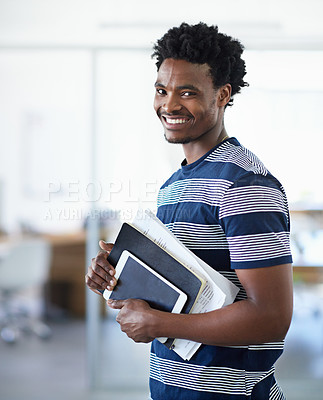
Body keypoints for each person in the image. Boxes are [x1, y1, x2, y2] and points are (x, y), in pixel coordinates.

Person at [85, 22, 293, 400]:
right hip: (173, 387)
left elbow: (271, 319)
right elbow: (186, 295)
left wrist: (157, 322)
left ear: (222, 95)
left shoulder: (245, 184)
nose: (169, 105)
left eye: (187, 92)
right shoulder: (173, 186)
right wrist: (120, 276)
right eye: (162, 91)